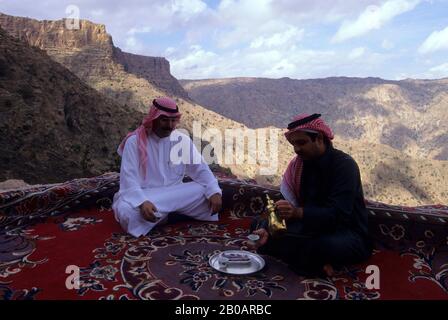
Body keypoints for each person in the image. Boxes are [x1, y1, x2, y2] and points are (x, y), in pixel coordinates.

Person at [249, 113, 372, 276]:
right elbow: (285, 205)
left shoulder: (344, 166)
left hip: (346, 232)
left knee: (317, 246)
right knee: (258, 225)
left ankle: (314, 262)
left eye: (301, 142)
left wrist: (298, 212)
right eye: (294, 144)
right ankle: (314, 263)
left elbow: (339, 214)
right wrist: (267, 227)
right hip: (311, 226)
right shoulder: (299, 166)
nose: (296, 149)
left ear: (319, 138)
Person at [112, 97, 222, 237]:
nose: (170, 125)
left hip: (175, 193)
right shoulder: (134, 142)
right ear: (154, 119)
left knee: (206, 191)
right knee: (127, 212)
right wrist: (141, 202)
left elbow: (200, 169)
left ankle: (162, 217)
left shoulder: (181, 140)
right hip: (147, 196)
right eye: (164, 120)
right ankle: (174, 215)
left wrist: (214, 191)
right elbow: (129, 179)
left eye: (173, 120)